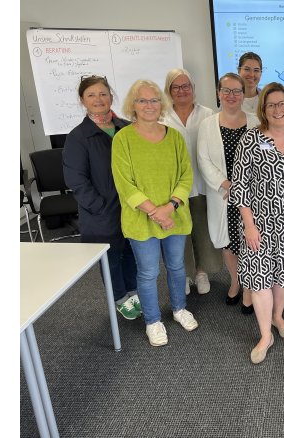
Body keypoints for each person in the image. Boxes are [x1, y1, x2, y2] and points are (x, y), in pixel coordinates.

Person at [229, 82, 284, 363]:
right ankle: (265, 334)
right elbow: (239, 186)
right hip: (260, 224)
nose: (278, 109)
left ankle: (278, 317)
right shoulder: (251, 139)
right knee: (261, 279)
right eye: (271, 104)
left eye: (282, 103)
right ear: (263, 109)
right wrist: (249, 224)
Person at [112, 79, 199, 347]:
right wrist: (155, 212)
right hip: (141, 219)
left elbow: (186, 175)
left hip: (174, 215)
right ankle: (152, 321)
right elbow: (125, 184)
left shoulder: (173, 136)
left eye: (154, 100)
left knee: (176, 266)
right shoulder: (123, 139)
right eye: (142, 101)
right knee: (148, 273)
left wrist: (169, 207)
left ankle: (179, 309)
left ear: (161, 104)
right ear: (132, 106)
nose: (149, 105)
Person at [63, 75, 141, 321]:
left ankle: (132, 290)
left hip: (131, 207)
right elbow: (77, 181)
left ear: (111, 96)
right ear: (82, 101)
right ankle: (119, 297)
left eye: (103, 93)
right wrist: (100, 207)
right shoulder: (78, 137)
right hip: (101, 212)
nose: (98, 99)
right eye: (91, 95)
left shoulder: (128, 128)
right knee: (112, 258)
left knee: (130, 252)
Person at [196, 73, 260, 314]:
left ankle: (250, 287)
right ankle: (236, 281)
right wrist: (227, 184)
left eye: (237, 91)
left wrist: (245, 187)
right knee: (229, 244)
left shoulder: (256, 122)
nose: (231, 96)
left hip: (253, 196)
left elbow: (263, 160)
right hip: (223, 195)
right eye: (226, 90)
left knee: (250, 242)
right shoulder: (207, 125)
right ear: (218, 93)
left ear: (244, 94)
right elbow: (203, 160)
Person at [162, 68, 221, 296]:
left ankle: (201, 271)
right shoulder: (161, 117)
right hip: (174, 188)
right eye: (176, 87)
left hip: (204, 183)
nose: (182, 90)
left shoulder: (208, 114)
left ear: (193, 89)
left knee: (202, 230)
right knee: (179, 234)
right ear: (169, 90)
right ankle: (184, 273)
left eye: (186, 86)